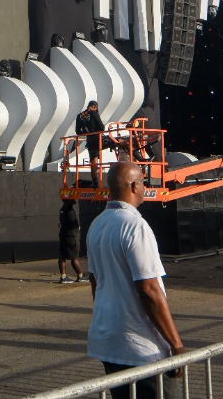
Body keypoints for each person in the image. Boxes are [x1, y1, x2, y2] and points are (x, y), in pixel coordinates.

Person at [86, 162, 185, 399]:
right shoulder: (135, 226)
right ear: (134, 186)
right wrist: (176, 344)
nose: (144, 187)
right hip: (141, 349)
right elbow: (149, 290)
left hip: (108, 341)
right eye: (143, 182)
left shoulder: (97, 225)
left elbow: (95, 282)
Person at [75, 101, 109, 184]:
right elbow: (102, 127)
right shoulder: (94, 113)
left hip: (90, 141)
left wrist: (87, 133)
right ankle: (139, 159)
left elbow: (78, 131)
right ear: (95, 107)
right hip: (98, 139)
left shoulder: (80, 116)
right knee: (117, 142)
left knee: (94, 163)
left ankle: (96, 183)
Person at [58, 200, 85, 283]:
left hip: (63, 235)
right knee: (74, 258)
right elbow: (73, 225)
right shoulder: (69, 210)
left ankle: (63, 277)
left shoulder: (62, 209)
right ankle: (80, 276)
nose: (75, 200)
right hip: (72, 237)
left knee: (62, 257)